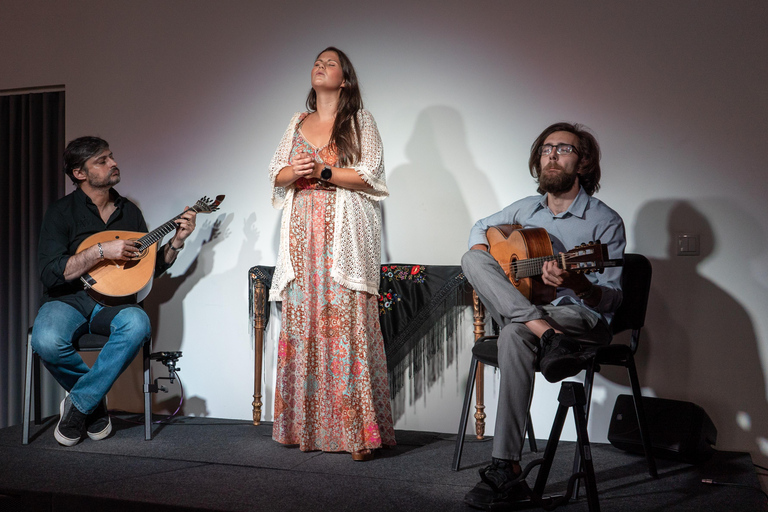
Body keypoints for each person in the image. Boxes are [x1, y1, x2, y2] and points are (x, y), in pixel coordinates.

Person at [461, 122, 625, 509]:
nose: (552, 155)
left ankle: (505, 466)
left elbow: (614, 299)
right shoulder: (524, 209)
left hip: (579, 318)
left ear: (582, 162)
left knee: (515, 333)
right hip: (537, 318)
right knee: (473, 257)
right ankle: (544, 334)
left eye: (564, 149)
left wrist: (580, 284)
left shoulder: (605, 221)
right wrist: (496, 260)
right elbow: (479, 228)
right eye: (546, 148)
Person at [268, 47, 395, 461]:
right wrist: (297, 171)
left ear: (345, 79)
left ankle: (357, 433)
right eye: (316, 61)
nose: (320, 65)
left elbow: (369, 173)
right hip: (302, 240)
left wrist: (322, 171)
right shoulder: (296, 122)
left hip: (343, 240)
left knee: (345, 328)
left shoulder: (360, 121)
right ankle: (302, 429)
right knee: (304, 325)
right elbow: (276, 173)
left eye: (331, 63)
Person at [32, 136, 197, 447]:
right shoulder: (60, 212)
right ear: (79, 173)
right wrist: (100, 251)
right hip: (67, 299)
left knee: (138, 324)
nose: (113, 163)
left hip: (113, 305)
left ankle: (80, 403)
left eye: (111, 157)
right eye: (102, 161)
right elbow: (51, 272)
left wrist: (177, 242)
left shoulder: (129, 212)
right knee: (46, 340)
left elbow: (146, 270)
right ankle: (95, 406)